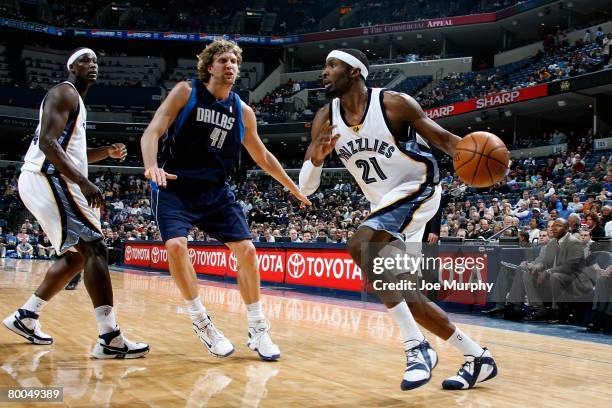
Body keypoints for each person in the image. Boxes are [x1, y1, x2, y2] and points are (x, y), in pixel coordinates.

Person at [299, 49, 497, 391]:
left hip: (419, 188)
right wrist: (316, 159)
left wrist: (482, 159)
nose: (324, 72)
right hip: (388, 207)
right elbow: (306, 188)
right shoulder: (325, 117)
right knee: (409, 296)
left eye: (332, 65)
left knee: (360, 244)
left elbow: (443, 140)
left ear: (355, 72)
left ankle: (415, 347)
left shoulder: (394, 103)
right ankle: (478, 357)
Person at [140, 40, 309, 361]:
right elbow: (152, 132)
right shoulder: (185, 92)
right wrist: (151, 166)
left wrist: (293, 187)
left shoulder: (242, 111)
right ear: (209, 66)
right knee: (176, 246)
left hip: (215, 191)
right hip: (175, 186)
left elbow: (263, 156)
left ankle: (258, 329)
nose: (230, 65)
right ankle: (202, 322)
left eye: (234, 61)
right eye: (223, 60)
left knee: (247, 250)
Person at [3, 48, 148, 359]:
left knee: (77, 257)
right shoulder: (63, 93)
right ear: (71, 68)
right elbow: (47, 144)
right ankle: (109, 337)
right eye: (84, 60)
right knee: (96, 248)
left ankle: (26, 316)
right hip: (47, 175)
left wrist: (106, 151)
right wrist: (83, 181)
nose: (92, 65)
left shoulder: (76, 102)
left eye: (95, 61)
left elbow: (72, 153)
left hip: (47, 177)